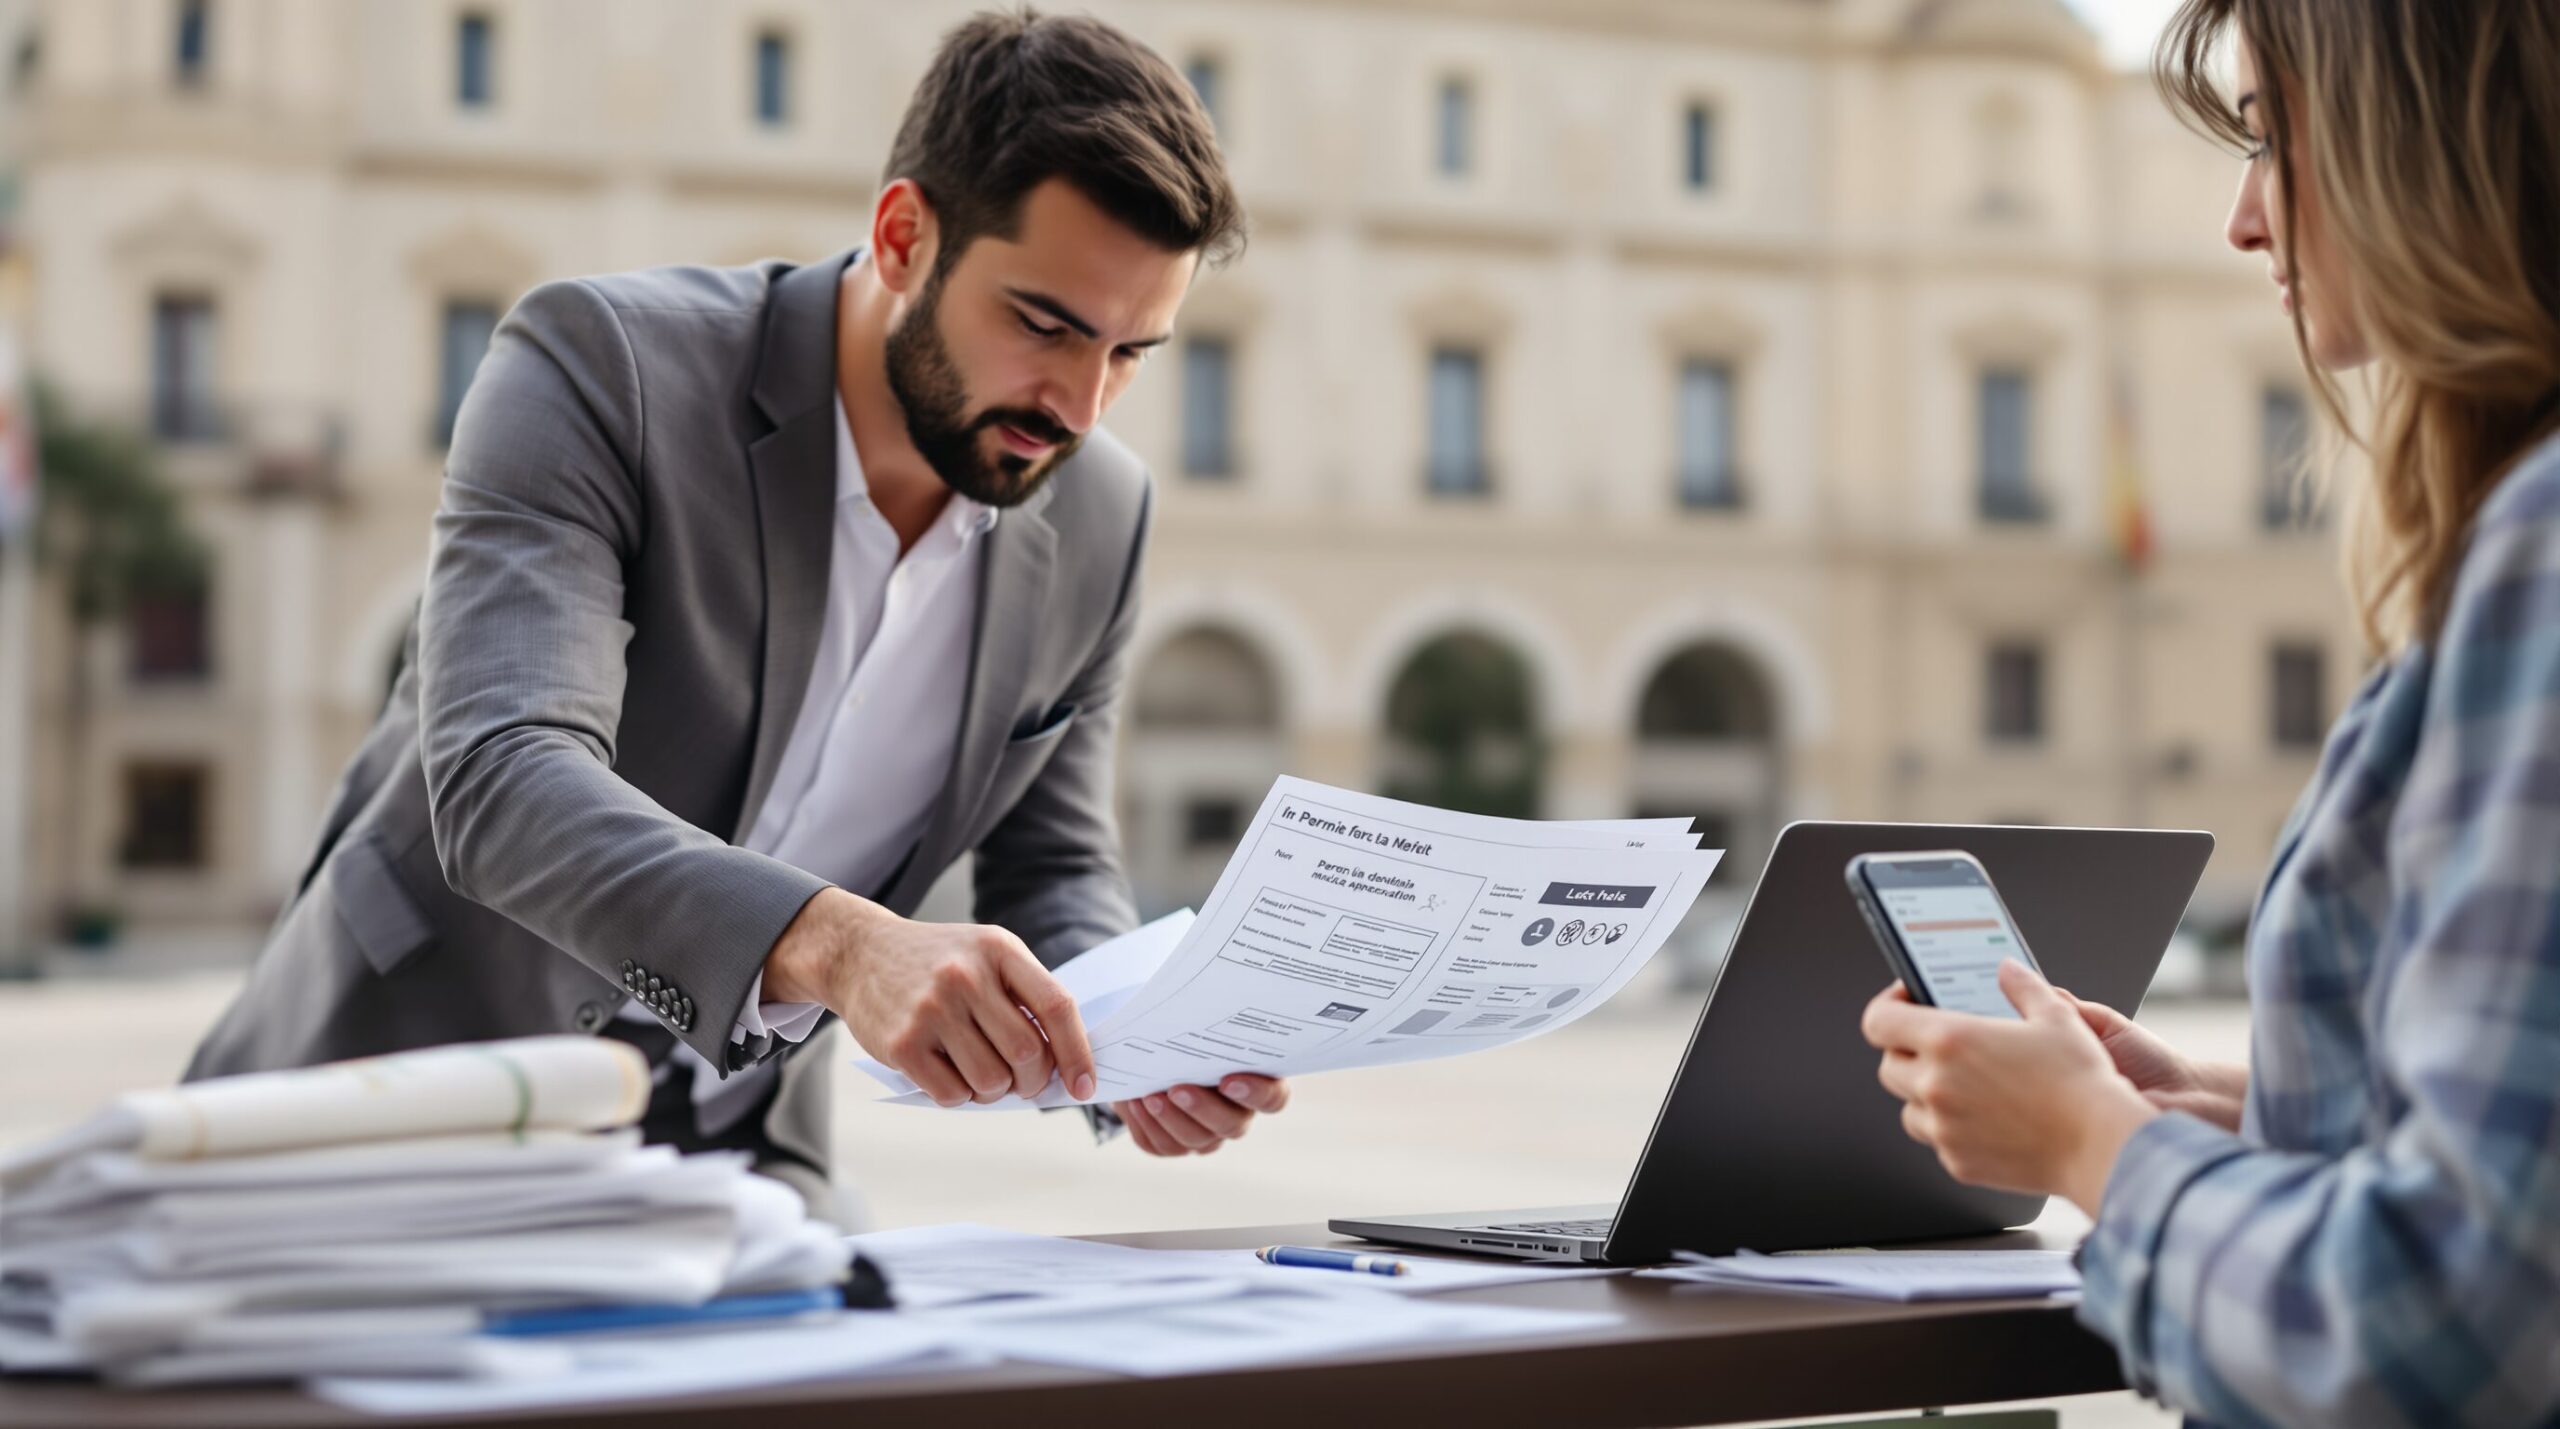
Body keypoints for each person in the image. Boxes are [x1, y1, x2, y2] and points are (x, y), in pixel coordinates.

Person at [186, 8, 1292, 1212]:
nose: (1081, 406)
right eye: (1045, 325)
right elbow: (502, 777)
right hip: (387, 1112)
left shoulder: (1101, 514)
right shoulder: (600, 366)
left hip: (733, 1168)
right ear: (906, 235)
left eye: (1133, 351)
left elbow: (1053, 863)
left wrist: (1136, 1039)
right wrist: (842, 945)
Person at [1861, 1, 2560, 1423]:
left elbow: (2442, 1326)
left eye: (2270, 142)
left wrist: (2092, 1144)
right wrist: (2225, 1107)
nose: (2244, 222)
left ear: (2424, 145)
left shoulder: (2545, 545)